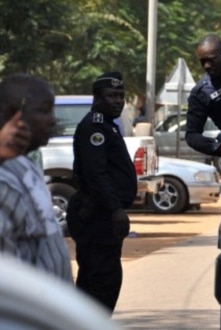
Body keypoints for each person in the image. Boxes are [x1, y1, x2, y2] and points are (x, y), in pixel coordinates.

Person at [67, 72, 138, 312]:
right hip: (96, 216)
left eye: (121, 96)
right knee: (102, 283)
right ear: (97, 98)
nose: (118, 101)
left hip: (101, 216)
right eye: (112, 96)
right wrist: (116, 208)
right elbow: (96, 174)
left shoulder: (107, 125)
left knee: (97, 282)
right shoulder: (94, 127)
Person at [0, 74, 72, 283]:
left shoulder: (25, 164)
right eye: (44, 110)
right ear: (15, 115)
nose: (53, 119)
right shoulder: (4, 182)